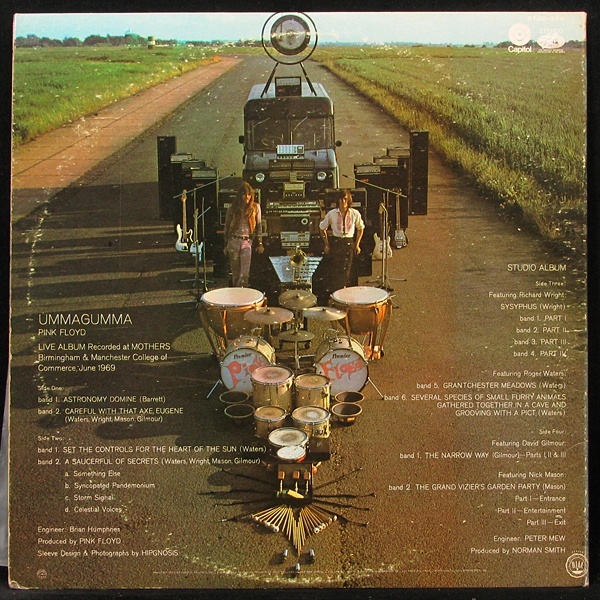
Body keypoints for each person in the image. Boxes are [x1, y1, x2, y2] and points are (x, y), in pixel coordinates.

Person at [319, 189, 365, 293]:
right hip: (336, 243)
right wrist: (326, 244)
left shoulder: (355, 213)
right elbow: (322, 228)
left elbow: (361, 228)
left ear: (349, 200)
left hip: (349, 242)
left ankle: (349, 296)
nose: (343, 201)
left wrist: (357, 244)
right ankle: (337, 295)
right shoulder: (331, 214)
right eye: (341, 199)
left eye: (345, 199)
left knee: (349, 272)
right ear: (338, 200)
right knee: (336, 273)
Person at [223, 182, 264, 287]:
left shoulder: (255, 207)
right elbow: (226, 227)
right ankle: (236, 293)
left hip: (247, 241)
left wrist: (260, 243)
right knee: (235, 274)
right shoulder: (232, 209)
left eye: (249, 194)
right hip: (233, 241)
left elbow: (259, 227)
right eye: (244, 194)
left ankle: (242, 292)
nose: (247, 197)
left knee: (244, 274)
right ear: (239, 195)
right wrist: (225, 245)